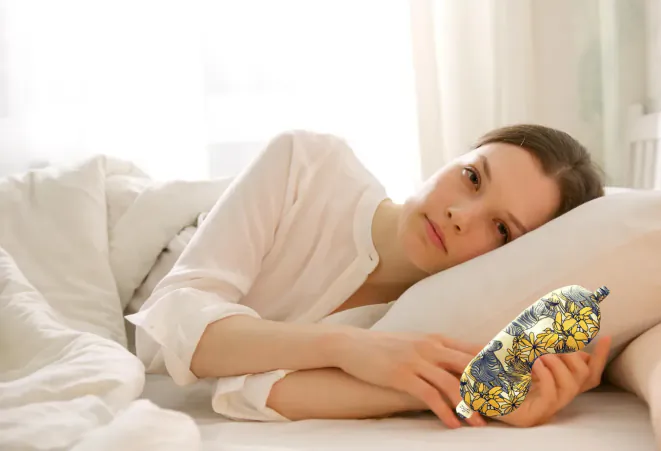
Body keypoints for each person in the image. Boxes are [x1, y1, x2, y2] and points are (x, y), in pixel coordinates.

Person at [126, 123, 609, 429]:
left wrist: (476, 395)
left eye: (502, 229)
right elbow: (174, 323)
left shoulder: (440, 313)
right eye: (472, 177)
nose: (461, 214)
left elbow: (248, 391)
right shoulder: (307, 163)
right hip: (134, 257)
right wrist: (348, 349)